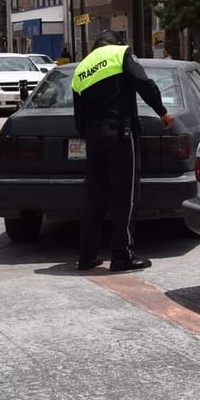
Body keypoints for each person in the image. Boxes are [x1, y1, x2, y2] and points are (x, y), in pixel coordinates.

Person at [71, 29, 174, 272]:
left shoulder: (81, 68)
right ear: (117, 43)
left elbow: (79, 118)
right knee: (125, 195)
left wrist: (93, 137)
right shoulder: (121, 53)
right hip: (119, 133)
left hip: (94, 137)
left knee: (95, 197)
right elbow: (143, 83)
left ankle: (86, 257)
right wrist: (162, 111)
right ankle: (122, 256)